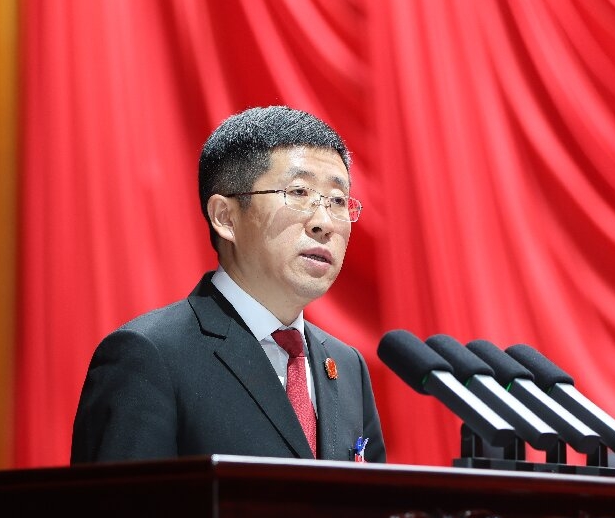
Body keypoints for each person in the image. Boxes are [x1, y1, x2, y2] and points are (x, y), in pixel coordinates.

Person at [71, 106, 385, 464]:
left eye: (338, 201)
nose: (324, 223)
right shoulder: (149, 355)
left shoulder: (347, 365)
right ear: (225, 217)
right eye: (299, 192)